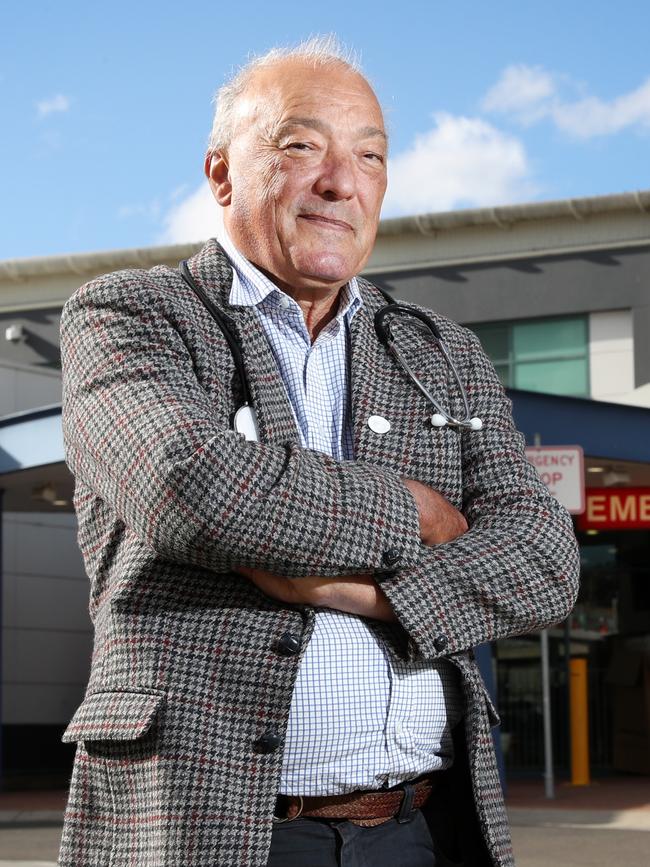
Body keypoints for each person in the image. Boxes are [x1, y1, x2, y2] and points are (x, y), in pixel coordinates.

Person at [58, 37, 579, 867]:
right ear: (223, 173)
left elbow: (547, 557)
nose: (341, 180)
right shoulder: (130, 316)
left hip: (423, 827)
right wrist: (417, 510)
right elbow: (191, 486)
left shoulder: (442, 350)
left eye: (370, 155)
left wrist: (379, 596)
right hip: (214, 828)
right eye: (301, 146)